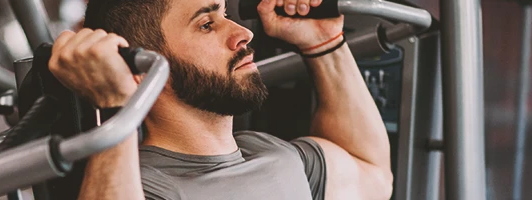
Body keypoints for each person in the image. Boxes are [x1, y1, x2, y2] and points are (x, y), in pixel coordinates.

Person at [47, 0, 392, 199]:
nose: (243, 34)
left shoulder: (273, 154)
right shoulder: (145, 187)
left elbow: (373, 175)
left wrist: (324, 43)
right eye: (206, 25)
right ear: (140, 66)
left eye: (225, 15)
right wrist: (115, 102)